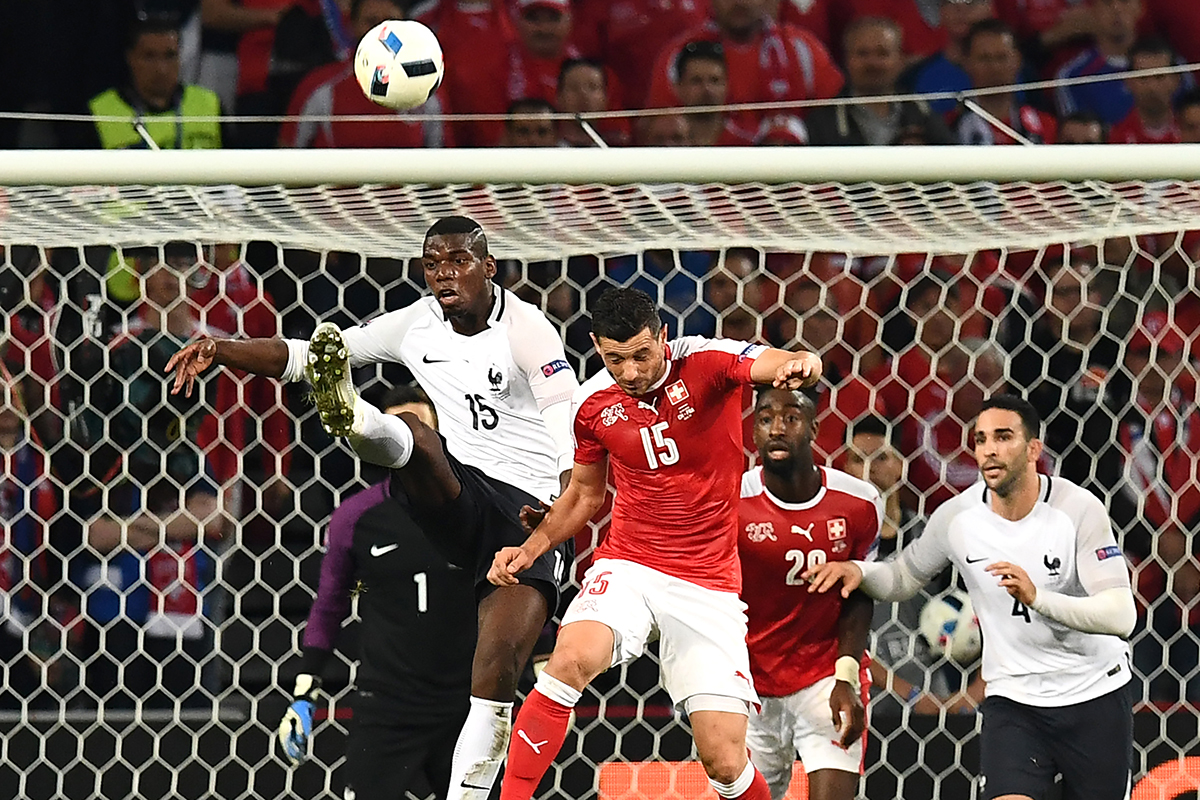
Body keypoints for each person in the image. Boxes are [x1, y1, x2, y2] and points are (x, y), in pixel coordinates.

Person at [166, 215, 577, 800]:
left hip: (528, 513)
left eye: (457, 261)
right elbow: (307, 355)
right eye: (432, 264)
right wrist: (222, 348)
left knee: (496, 670)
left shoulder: (527, 328)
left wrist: (559, 513)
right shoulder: (416, 323)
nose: (443, 274)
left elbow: (567, 430)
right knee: (419, 437)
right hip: (462, 495)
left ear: (488, 267)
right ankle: (355, 417)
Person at [487, 286, 823, 800]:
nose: (631, 371)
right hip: (630, 564)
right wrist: (529, 549)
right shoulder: (592, 405)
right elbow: (585, 494)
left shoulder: (706, 361)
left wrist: (801, 362)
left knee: (725, 761)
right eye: (615, 358)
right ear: (597, 347)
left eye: (642, 354)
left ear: (663, 336)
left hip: (707, 582)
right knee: (568, 661)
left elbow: (769, 361)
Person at [807, 395, 1138, 800]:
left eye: (1004, 437)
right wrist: (859, 572)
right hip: (1014, 701)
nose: (989, 450)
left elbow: (1121, 615)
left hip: (1093, 694)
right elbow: (902, 576)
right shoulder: (958, 517)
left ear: (1033, 449)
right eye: (981, 439)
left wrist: (1038, 599)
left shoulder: (1077, 510)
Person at [277, 384, 478, 800]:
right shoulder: (357, 517)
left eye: (422, 426)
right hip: (387, 706)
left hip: (468, 704)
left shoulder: (477, 507)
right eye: (401, 428)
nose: (414, 438)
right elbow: (329, 604)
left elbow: (512, 584)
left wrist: (542, 670)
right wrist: (304, 693)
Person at [738, 389, 881, 800]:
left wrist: (846, 677)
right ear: (753, 432)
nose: (777, 429)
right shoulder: (732, 501)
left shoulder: (859, 503)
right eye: (765, 419)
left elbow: (860, 593)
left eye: (791, 418)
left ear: (814, 428)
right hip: (751, 683)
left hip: (825, 676)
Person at [279, 0, 452, 149]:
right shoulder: (320, 86)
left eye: (390, 23)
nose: (381, 35)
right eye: (371, 22)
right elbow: (286, 153)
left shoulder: (427, 86)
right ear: (352, 26)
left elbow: (443, 158)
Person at [78, 13, 223, 150]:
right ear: (130, 58)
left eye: (170, 55)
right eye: (149, 56)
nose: (161, 69)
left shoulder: (210, 105)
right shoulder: (99, 113)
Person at [806, 17, 954, 147]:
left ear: (900, 60)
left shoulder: (922, 112)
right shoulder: (822, 123)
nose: (873, 63)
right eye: (862, 53)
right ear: (847, 60)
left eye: (882, 53)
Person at [954, 19, 1057, 145]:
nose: (994, 67)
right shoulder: (953, 128)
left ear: (1018, 61)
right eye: (984, 58)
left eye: (1002, 57)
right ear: (967, 63)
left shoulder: (1046, 126)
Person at [1054, 0, 1143, 126]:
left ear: (1140, 8)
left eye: (1124, 1)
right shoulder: (1072, 77)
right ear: (1093, 10)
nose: (1116, 8)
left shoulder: (1166, 66)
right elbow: (1078, 133)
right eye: (1107, 3)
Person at [672, 41, 754, 147]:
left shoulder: (744, 146)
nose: (707, 89)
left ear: (726, 85)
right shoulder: (666, 143)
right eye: (696, 81)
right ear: (678, 87)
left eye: (714, 80)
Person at [1109, 37, 1181, 144]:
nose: (1152, 87)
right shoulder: (1116, 139)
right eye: (1143, 77)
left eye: (1159, 76)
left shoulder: (1193, 130)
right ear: (1129, 81)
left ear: (1176, 80)